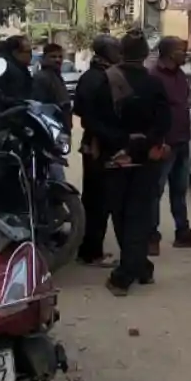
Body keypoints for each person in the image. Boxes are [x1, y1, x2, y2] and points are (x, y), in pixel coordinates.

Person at [77, 29, 171, 296]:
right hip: (146, 159)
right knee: (139, 215)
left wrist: (121, 140)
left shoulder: (105, 81)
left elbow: (91, 121)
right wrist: (146, 142)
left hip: (114, 158)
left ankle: (123, 276)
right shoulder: (154, 84)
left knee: (120, 215)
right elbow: (165, 121)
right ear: (145, 54)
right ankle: (142, 268)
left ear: (121, 52)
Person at [147, 37, 191, 255]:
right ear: (169, 53)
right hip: (164, 144)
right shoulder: (154, 77)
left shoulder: (181, 75)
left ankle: (182, 232)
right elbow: (151, 113)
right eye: (181, 51)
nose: (186, 54)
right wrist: (158, 141)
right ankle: (151, 237)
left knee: (180, 190)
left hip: (182, 141)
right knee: (154, 192)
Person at [74, 34, 122, 266]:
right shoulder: (98, 78)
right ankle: (92, 252)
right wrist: (102, 137)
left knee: (95, 198)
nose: (119, 53)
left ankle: (89, 249)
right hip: (98, 145)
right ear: (106, 52)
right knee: (98, 201)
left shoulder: (94, 75)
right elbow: (88, 115)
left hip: (96, 142)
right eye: (115, 49)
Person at [32, 43, 72, 128]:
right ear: (44, 58)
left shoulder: (56, 75)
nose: (57, 60)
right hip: (52, 125)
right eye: (53, 57)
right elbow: (41, 105)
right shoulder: (42, 77)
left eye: (60, 57)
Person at [0, 35, 33, 102]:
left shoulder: (19, 66)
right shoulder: (8, 68)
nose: (31, 56)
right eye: (28, 52)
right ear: (15, 52)